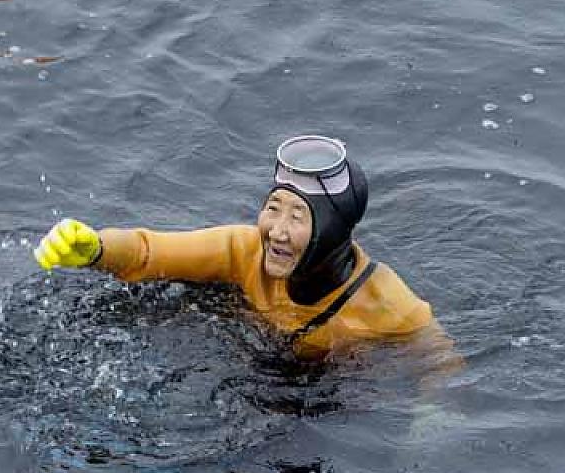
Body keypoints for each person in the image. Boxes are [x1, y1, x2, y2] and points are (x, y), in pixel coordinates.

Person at [34, 134, 438, 359]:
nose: (277, 231)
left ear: (331, 231)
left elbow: (440, 364)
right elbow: (147, 252)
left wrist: (431, 416)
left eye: (298, 217)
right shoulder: (244, 251)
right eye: (273, 208)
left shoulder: (387, 306)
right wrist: (96, 249)